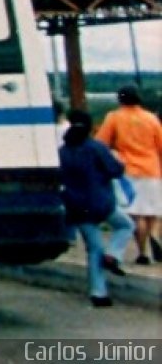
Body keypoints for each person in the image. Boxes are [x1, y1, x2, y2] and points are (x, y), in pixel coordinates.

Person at [59, 109, 135, 307]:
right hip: (101, 203)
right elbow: (115, 170)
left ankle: (98, 293)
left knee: (94, 249)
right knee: (125, 225)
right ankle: (114, 254)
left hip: (77, 207)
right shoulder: (96, 148)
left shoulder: (62, 152)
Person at [95, 85, 162, 265]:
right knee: (153, 211)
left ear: (120, 99)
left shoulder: (114, 117)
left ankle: (143, 253)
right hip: (152, 168)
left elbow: (101, 143)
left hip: (128, 171)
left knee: (136, 214)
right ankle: (154, 235)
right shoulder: (151, 119)